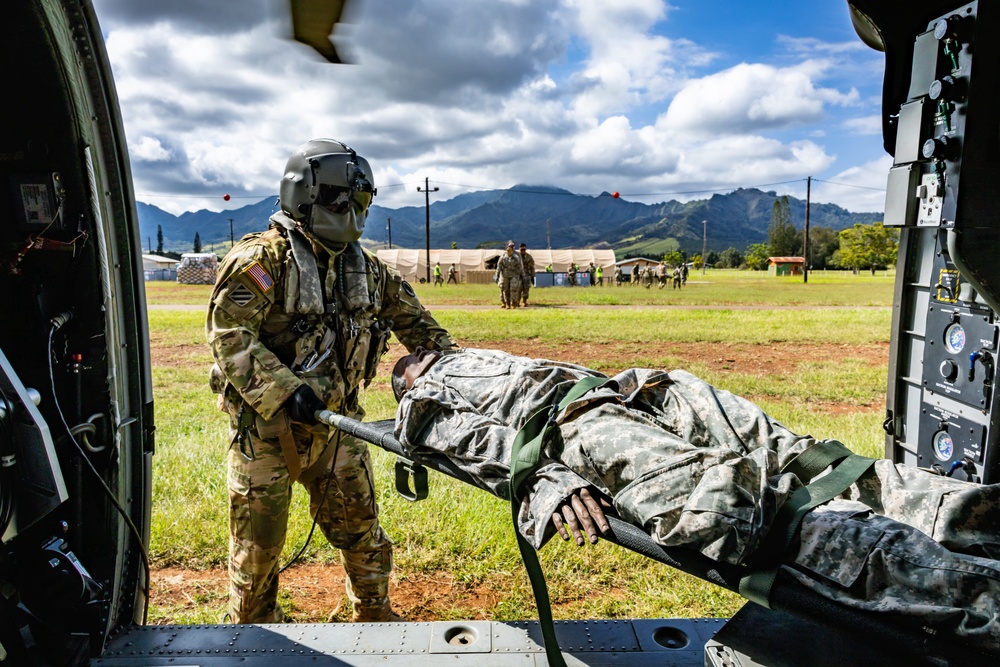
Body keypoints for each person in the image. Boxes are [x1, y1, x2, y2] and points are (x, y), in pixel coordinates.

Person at [390, 347, 1000, 646]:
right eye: (418, 363)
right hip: (594, 425)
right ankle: (974, 591)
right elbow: (464, 439)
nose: (424, 358)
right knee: (752, 509)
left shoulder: (464, 357)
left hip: (642, 393)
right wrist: (544, 481)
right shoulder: (421, 396)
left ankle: (968, 520)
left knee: (818, 465)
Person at [207, 139, 457, 624]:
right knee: (257, 553)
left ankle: (374, 616)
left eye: (359, 203)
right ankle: (255, 637)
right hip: (266, 437)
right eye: (341, 201)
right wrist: (284, 390)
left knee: (362, 532)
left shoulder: (365, 268)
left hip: (338, 430)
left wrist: (463, 373)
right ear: (305, 195)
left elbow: (420, 328)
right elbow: (229, 335)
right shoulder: (263, 261)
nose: (352, 214)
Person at [495, 241, 523, 309]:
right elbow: (499, 266)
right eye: (508, 250)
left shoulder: (516, 257)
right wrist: (497, 276)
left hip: (514, 275)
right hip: (505, 275)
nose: (509, 251)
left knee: (513, 289)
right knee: (505, 290)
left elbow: (520, 266)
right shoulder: (503, 257)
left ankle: (513, 303)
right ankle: (507, 303)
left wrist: (521, 274)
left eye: (510, 250)